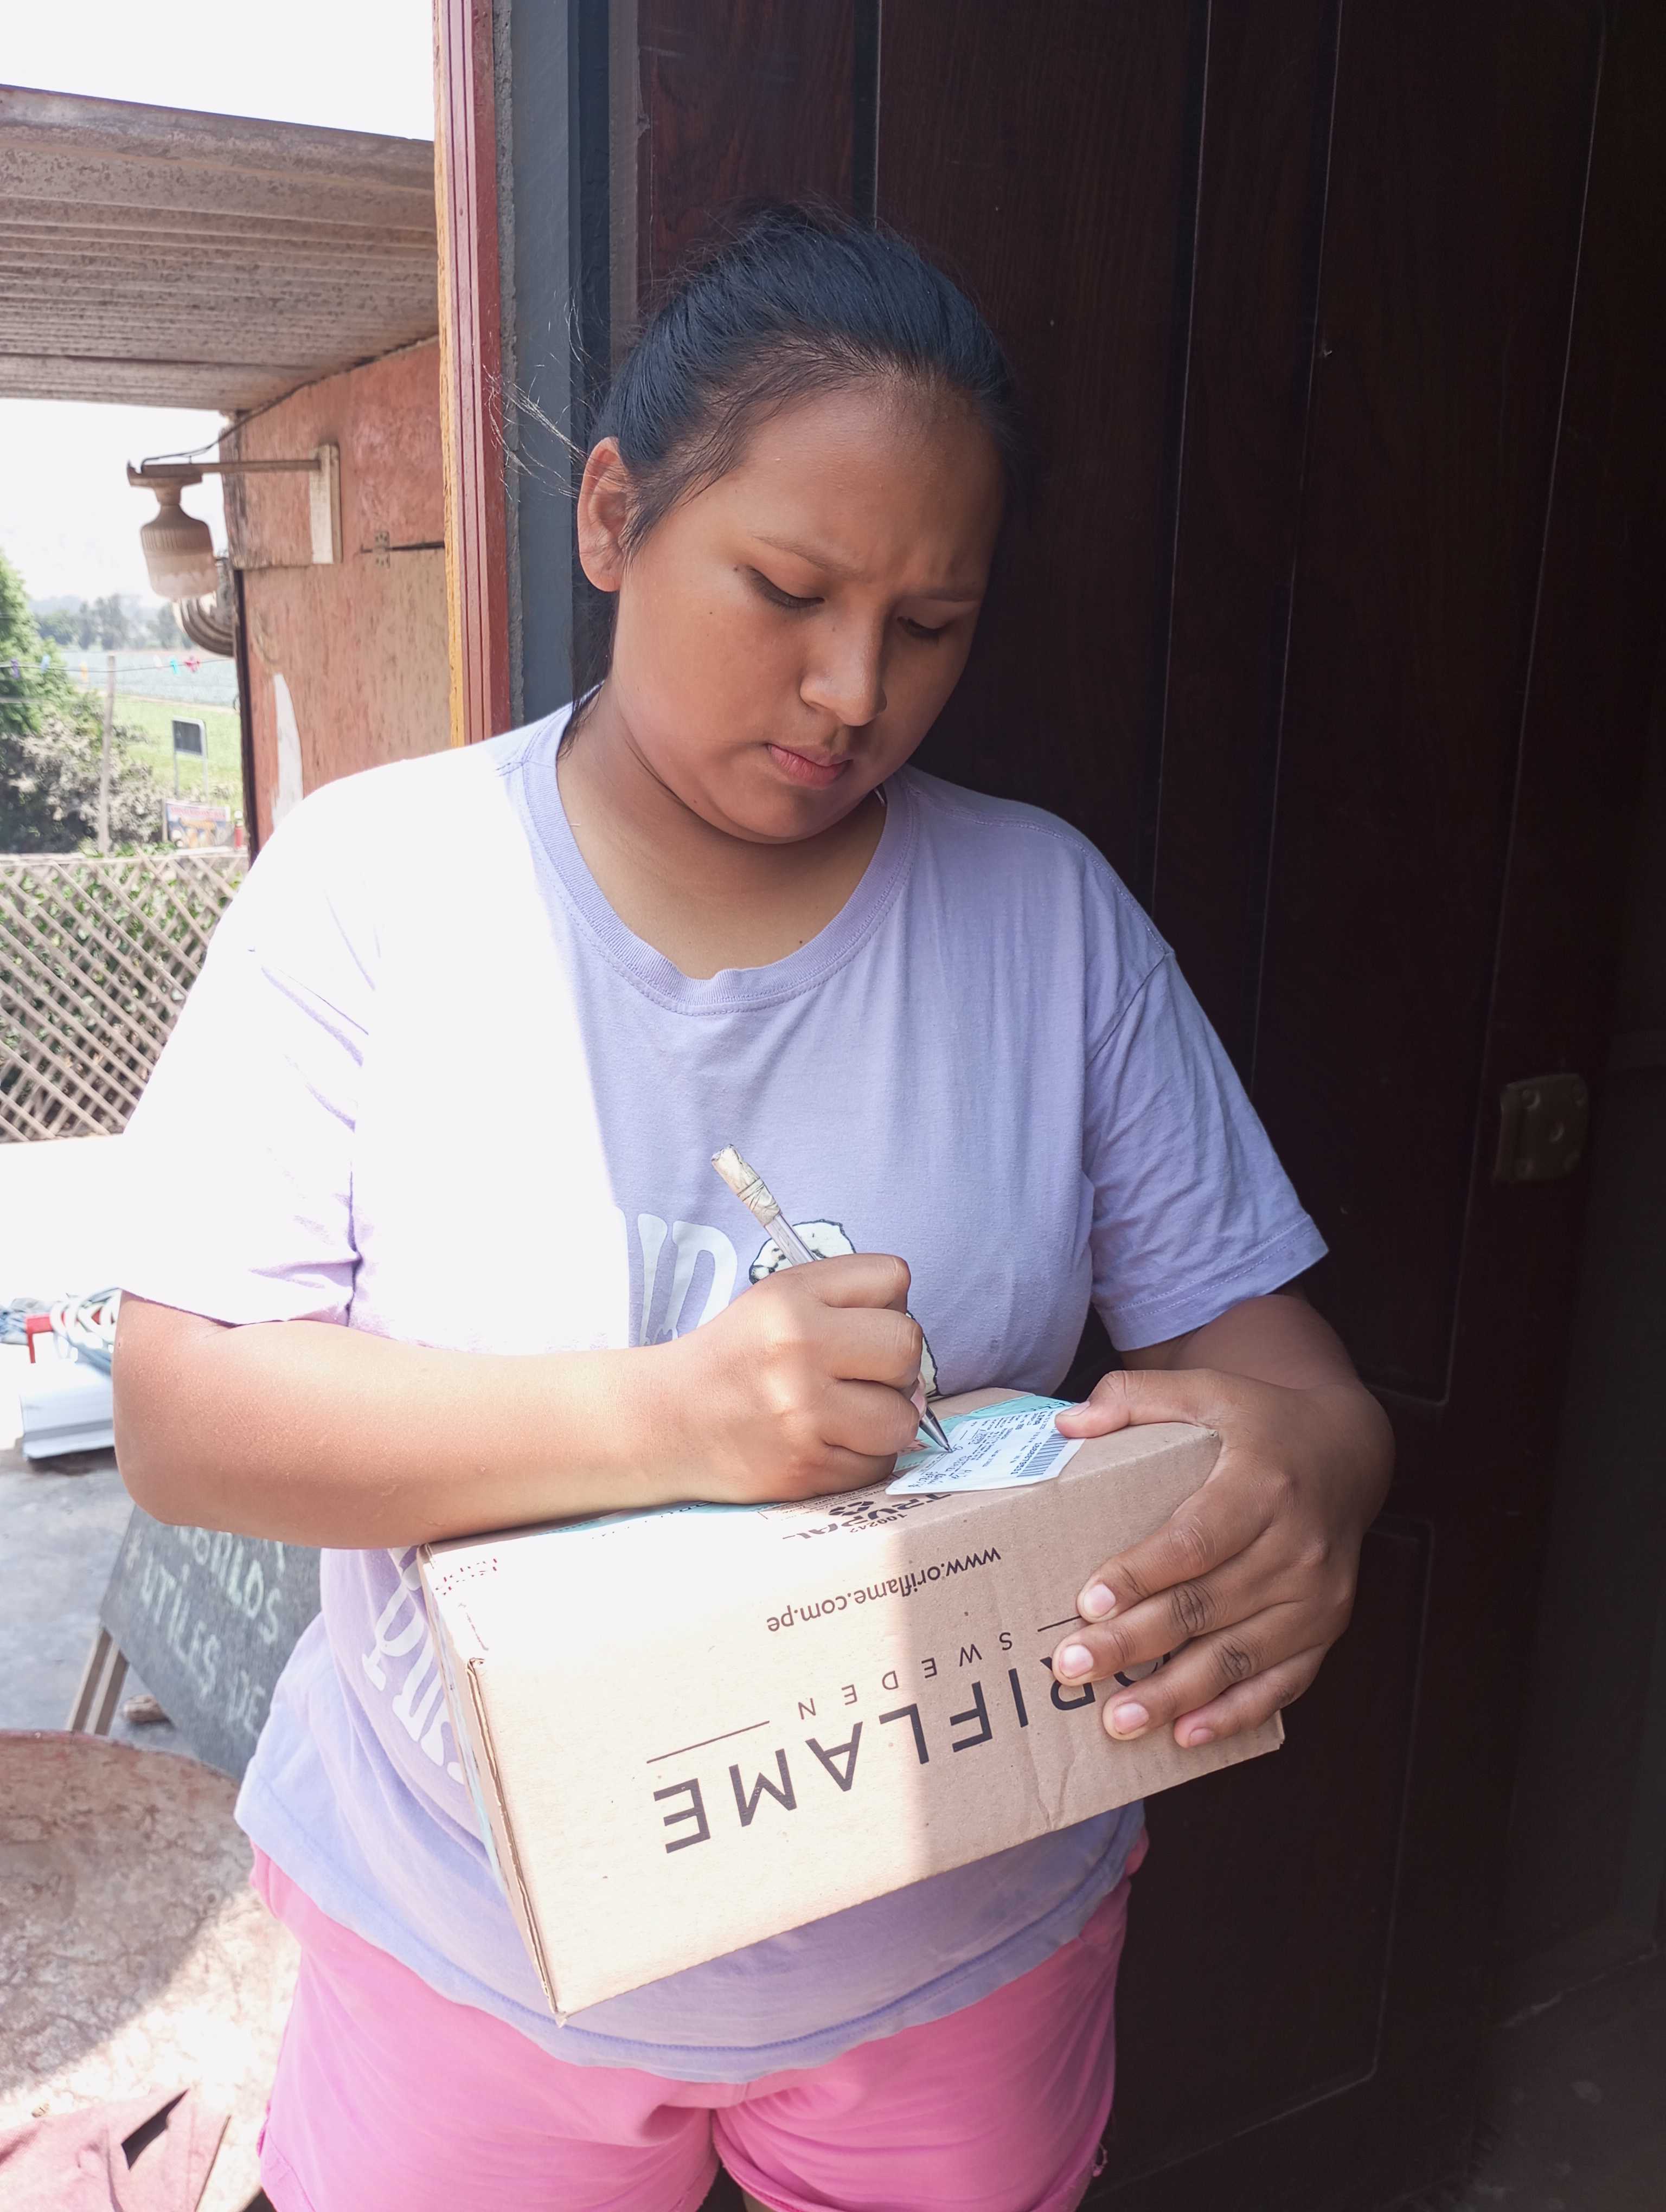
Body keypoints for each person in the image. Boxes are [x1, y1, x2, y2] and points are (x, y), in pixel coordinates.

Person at [113, 204, 1393, 2212]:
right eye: (788, 589)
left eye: (932, 624)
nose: (852, 688)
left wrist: (1315, 1477)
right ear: (614, 516)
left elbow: (1289, 1378)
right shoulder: (379, 889)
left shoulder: (1045, 922)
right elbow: (187, 1414)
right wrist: (671, 1417)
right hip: (472, 1949)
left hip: (956, 1950)